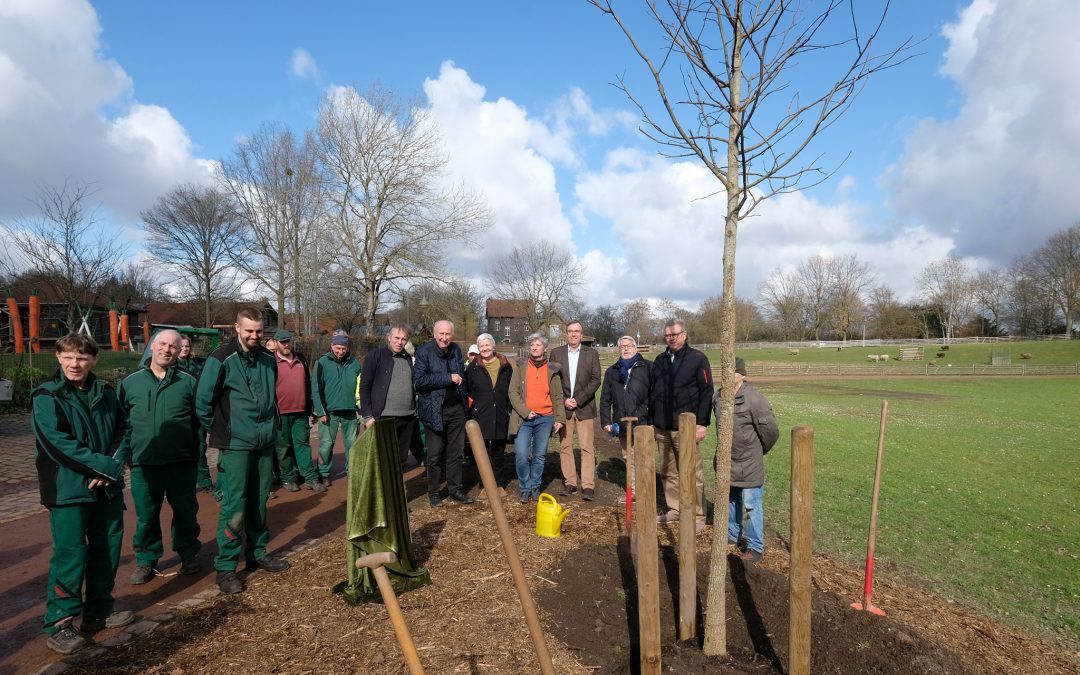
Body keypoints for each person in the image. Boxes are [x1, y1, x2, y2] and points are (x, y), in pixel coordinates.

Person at [33, 334, 134, 655]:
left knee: (107, 549)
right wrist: (101, 467)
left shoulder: (105, 392)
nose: (74, 365)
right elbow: (56, 443)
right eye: (68, 358)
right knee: (70, 554)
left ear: (94, 360)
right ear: (59, 359)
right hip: (68, 489)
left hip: (107, 488)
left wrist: (113, 467)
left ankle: (99, 610)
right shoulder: (47, 396)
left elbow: (124, 430)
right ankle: (60, 622)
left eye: (81, 358)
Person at [196, 308, 290, 595]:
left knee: (259, 501)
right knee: (234, 506)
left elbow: (271, 396)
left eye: (259, 331)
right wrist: (225, 431)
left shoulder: (266, 359)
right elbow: (202, 403)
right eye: (249, 330)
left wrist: (271, 426)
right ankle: (225, 567)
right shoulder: (222, 358)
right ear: (237, 328)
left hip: (263, 443)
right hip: (236, 445)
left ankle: (257, 552)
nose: (254, 336)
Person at [119, 329, 202, 586]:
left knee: (186, 512)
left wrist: (195, 454)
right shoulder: (130, 383)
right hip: (144, 463)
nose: (167, 350)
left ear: (180, 351)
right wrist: (126, 456)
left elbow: (199, 422)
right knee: (146, 515)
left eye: (173, 347)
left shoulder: (189, 382)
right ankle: (146, 560)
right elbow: (120, 423)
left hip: (181, 462)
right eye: (163, 344)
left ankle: (188, 553)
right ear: (153, 346)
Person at [649, 318, 713, 534]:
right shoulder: (660, 361)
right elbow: (653, 392)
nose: (672, 338)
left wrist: (702, 422)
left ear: (684, 335)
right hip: (662, 427)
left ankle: (697, 514)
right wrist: (651, 422)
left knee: (692, 472)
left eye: (675, 334)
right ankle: (675, 508)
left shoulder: (697, 359)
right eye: (668, 335)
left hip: (686, 428)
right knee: (668, 471)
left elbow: (706, 392)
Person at [719, 357, 779, 565]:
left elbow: (770, 432)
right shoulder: (718, 398)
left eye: (733, 371)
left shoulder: (754, 399)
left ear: (742, 375)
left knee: (751, 505)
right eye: (725, 371)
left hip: (750, 463)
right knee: (731, 500)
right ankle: (732, 534)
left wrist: (757, 452)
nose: (728, 375)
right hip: (728, 462)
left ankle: (755, 546)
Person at [414, 319, 474, 507]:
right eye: (441, 334)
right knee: (434, 455)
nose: (444, 338)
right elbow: (420, 381)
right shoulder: (424, 352)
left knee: (456, 453)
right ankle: (434, 492)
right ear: (434, 334)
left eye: (448, 334)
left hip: (456, 409)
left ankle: (455, 490)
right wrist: (448, 378)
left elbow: (461, 375)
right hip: (434, 410)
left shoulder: (456, 350)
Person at [548, 320, 602, 501]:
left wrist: (577, 400)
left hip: (584, 407)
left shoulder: (591, 353)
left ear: (581, 334)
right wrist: (564, 401)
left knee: (587, 447)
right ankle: (570, 483)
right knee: (565, 446)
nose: (573, 334)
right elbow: (552, 381)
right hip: (564, 408)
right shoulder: (556, 354)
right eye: (570, 331)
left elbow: (596, 380)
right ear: (566, 334)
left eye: (576, 331)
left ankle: (588, 486)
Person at [508, 333, 565, 503]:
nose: (534, 348)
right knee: (522, 455)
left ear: (545, 348)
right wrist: (525, 412)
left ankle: (535, 487)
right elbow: (513, 392)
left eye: (538, 345)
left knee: (539, 455)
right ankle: (524, 487)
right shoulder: (521, 366)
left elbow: (558, 396)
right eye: (532, 345)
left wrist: (560, 418)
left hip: (545, 418)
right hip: (524, 419)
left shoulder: (552, 369)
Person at [599, 335, 651, 500]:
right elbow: (605, 398)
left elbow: (653, 395)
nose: (626, 349)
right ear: (618, 349)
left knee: (643, 457)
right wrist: (606, 421)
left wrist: (641, 412)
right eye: (622, 346)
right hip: (621, 422)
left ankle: (646, 490)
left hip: (644, 421)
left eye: (629, 346)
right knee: (628, 457)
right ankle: (634, 492)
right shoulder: (612, 371)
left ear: (635, 348)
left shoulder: (648, 367)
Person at [359, 324, 419, 468]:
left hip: (407, 417)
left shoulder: (408, 359)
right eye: (396, 338)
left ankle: (396, 489)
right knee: (383, 460)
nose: (399, 342)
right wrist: (367, 415)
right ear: (389, 338)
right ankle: (382, 490)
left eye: (404, 339)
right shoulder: (375, 356)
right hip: (384, 417)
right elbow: (365, 386)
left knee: (400, 460)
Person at [272, 330, 324, 493]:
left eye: (288, 341)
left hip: (301, 412)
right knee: (284, 448)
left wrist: (311, 407)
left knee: (303, 445)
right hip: (280, 414)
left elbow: (308, 383)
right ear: (276, 343)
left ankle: (310, 478)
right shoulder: (270, 362)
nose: (286, 344)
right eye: (282, 342)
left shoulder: (300, 358)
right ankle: (288, 478)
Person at [464, 333, 514, 499]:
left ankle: (499, 484)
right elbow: (468, 391)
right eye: (481, 346)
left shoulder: (505, 366)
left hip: (500, 412)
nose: (485, 349)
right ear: (478, 349)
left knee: (498, 451)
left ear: (493, 346)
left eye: (487, 345)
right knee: (481, 451)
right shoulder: (473, 368)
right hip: (481, 414)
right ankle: (484, 485)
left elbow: (510, 390)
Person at [311, 329, 361, 485]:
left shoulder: (355, 363)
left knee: (352, 444)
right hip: (329, 411)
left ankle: (352, 470)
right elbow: (316, 388)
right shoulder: (322, 363)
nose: (340, 351)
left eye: (344, 348)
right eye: (338, 348)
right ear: (332, 346)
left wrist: (360, 407)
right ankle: (324, 472)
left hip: (350, 411)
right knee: (326, 444)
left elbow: (361, 386)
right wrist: (320, 411)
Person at [177, 335, 213, 493]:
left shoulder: (198, 364)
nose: (184, 349)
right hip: (181, 414)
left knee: (200, 447)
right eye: (182, 346)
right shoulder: (171, 365)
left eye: (187, 347)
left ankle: (204, 481)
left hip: (197, 412)